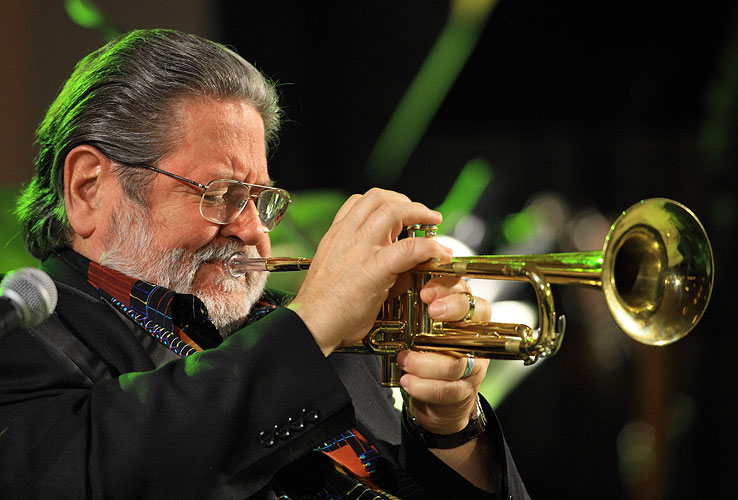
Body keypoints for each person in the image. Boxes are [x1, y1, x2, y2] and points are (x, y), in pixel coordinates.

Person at [0, 29, 529, 499]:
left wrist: (452, 431)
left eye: (263, 199)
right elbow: (93, 470)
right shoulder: (21, 340)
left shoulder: (329, 345)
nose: (255, 230)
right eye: (222, 193)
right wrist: (314, 320)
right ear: (89, 189)